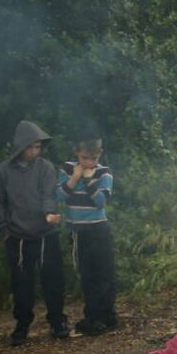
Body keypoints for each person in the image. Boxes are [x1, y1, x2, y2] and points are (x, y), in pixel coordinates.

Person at [0, 120, 67, 345]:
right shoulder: (4, 170)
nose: (35, 151)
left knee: (53, 281)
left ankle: (57, 321)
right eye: (31, 146)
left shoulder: (45, 167)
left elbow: (48, 195)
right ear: (20, 146)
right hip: (18, 237)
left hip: (45, 234)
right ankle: (22, 325)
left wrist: (49, 214)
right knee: (21, 284)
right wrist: (4, 229)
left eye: (38, 147)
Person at [58, 138, 118, 334]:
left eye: (93, 158)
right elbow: (59, 195)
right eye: (84, 158)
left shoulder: (104, 172)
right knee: (87, 273)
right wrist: (75, 178)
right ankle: (92, 316)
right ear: (76, 153)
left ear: (99, 155)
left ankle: (106, 315)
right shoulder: (67, 169)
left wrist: (89, 180)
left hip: (98, 227)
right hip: (78, 230)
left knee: (104, 272)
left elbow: (101, 201)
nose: (88, 162)